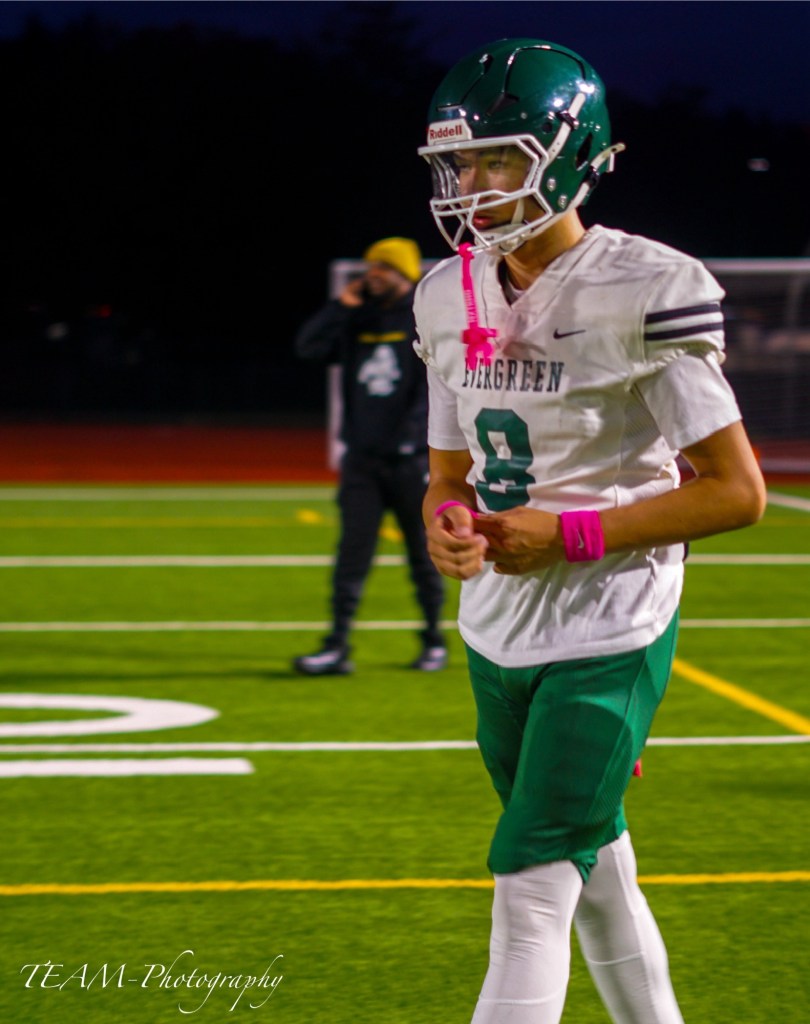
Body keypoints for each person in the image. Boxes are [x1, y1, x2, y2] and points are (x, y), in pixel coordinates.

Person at [413, 39, 766, 1024]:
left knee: (529, 886)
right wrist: (449, 528)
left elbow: (738, 492)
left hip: (610, 622)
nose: (472, 187)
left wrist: (568, 535)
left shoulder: (647, 284)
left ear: (569, 156)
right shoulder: (446, 292)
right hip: (496, 626)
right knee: (594, 857)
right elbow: (447, 479)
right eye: (460, 164)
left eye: (498, 159)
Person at [293, 237, 447, 676]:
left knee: (423, 555)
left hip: (409, 463)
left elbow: (436, 383)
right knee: (352, 555)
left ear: (404, 274)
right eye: (371, 267)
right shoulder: (357, 317)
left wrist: (412, 439)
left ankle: (433, 639)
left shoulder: (422, 319)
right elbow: (308, 348)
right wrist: (340, 307)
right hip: (362, 462)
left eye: (383, 267)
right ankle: (337, 644)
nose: (372, 274)